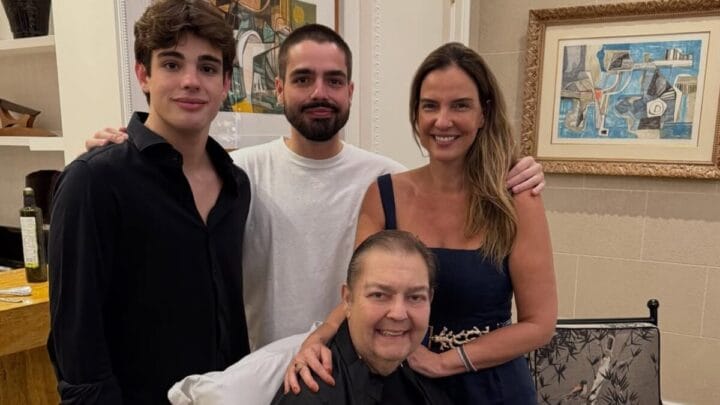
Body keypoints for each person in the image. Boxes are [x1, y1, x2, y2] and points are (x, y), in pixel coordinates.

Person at [86, 25, 546, 353]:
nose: (319, 93)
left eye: (334, 81)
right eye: (303, 79)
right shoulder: (236, 173)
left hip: (353, 373)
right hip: (257, 370)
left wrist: (520, 169)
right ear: (279, 89)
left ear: (351, 91)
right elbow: (167, 202)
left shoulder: (386, 180)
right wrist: (124, 152)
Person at [287, 42, 557, 404]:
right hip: (405, 385)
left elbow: (539, 325)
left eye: (460, 105)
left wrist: (445, 362)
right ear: (416, 115)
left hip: (492, 387)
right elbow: (364, 294)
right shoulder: (384, 194)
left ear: (483, 113)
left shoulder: (516, 198)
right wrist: (318, 338)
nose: (442, 121)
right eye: (430, 106)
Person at [47, 1, 251, 403]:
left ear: (226, 83)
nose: (191, 81)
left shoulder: (236, 185)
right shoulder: (94, 181)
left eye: (208, 68)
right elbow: (77, 343)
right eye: (172, 64)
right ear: (144, 75)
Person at [271, 230, 450, 404]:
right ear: (348, 300)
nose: (398, 314)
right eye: (379, 295)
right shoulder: (312, 396)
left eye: (415, 297)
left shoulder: (422, 378)